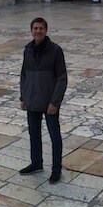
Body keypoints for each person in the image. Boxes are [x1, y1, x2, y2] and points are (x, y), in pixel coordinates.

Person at [19, 17, 68, 183]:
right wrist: (23, 97)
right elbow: (24, 75)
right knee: (34, 134)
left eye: (41, 28)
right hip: (32, 99)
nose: (38, 31)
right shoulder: (28, 50)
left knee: (54, 136)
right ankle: (36, 163)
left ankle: (56, 169)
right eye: (35, 28)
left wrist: (55, 102)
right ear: (31, 31)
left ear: (46, 31)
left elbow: (62, 78)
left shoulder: (55, 51)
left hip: (49, 102)